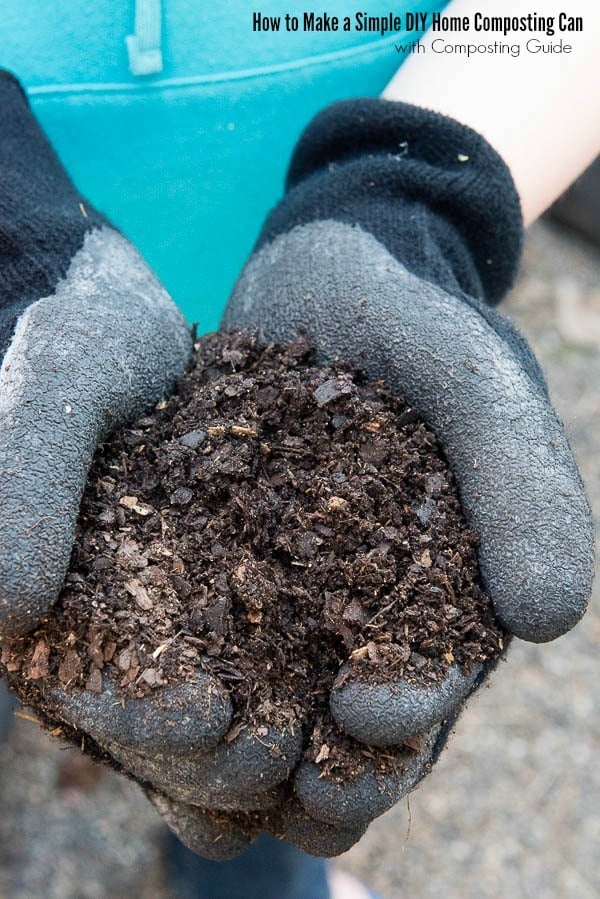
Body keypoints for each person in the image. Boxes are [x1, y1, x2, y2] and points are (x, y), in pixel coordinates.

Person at [0, 1, 597, 897]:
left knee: (263, 764)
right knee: (23, 545)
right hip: (28, 333)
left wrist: (412, 191)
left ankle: (259, 867)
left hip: (339, 201)